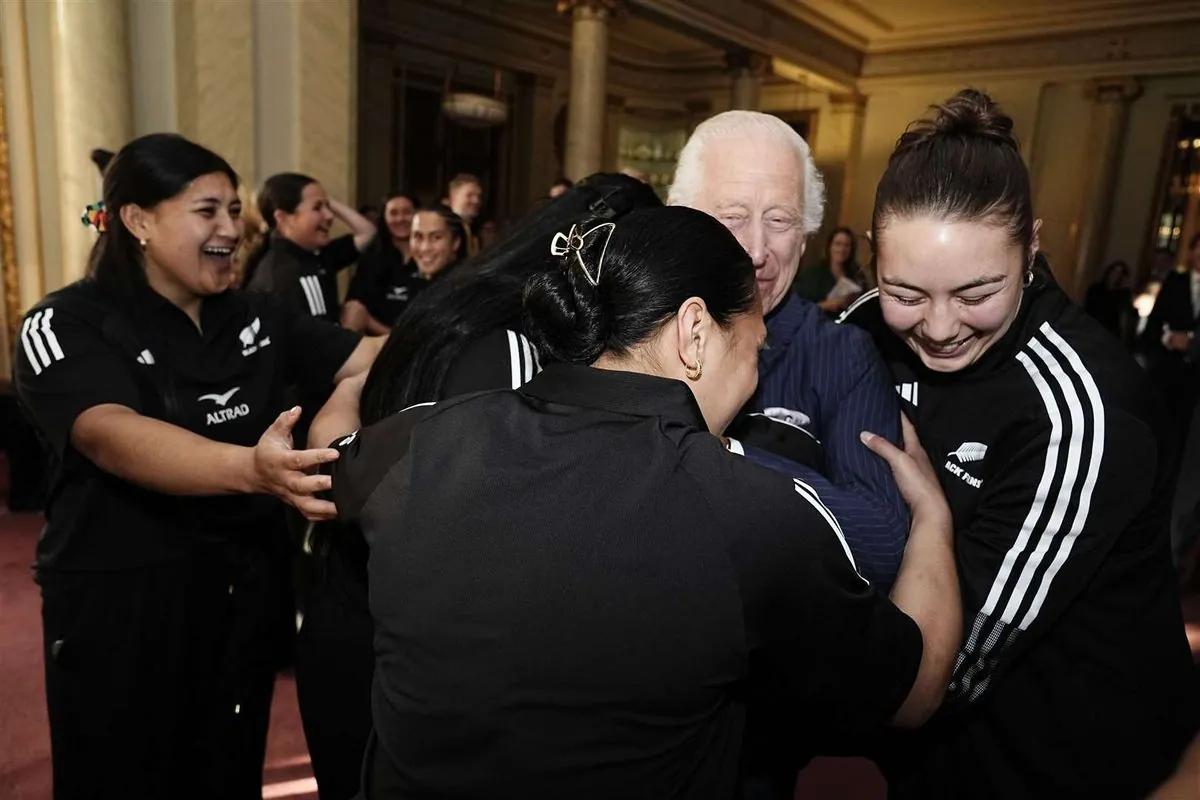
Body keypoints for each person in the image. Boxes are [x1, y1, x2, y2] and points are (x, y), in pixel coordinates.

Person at [324, 205, 962, 798]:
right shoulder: (747, 514)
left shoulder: (417, 439)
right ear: (694, 331)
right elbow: (914, 691)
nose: (755, 374)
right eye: (753, 347)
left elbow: (330, 465)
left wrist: (349, 388)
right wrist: (932, 520)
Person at [841, 89, 1197, 799]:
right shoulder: (859, 329)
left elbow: (948, 670)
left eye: (977, 293)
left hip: (1064, 759)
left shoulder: (1084, 412)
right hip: (926, 763)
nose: (939, 327)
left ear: (1032, 245)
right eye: (905, 291)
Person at [13, 133, 383, 800]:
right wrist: (254, 469)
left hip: (240, 592)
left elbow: (362, 357)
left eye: (235, 211)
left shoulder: (256, 316)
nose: (231, 229)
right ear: (138, 221)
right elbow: (111, 435)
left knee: (226, 769)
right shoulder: (65, 324)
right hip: (121, 600)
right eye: (208, 211)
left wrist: (357, 383)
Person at [298, 173, 661, 800]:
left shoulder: (453, 306)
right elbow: (484, 520)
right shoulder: (519, 345)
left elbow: (345, 443)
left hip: (353, 610)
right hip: (411, 646)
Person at [669, 111, 909, 590]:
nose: (756, 249)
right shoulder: (637, 329)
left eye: (779, 220)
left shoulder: (839, 354)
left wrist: (723, 453)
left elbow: (881, 543)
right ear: (682, 219)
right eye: (732, 217)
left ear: (806, 236)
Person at [241, 171, 376, 322]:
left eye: (327, 206)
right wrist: (350, 326)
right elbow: (315, 343)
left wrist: (321, 198)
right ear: (283, 218)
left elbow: (367, 232)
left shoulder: (315, 256)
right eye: (317, 208)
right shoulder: (285, 275)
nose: (330, 215)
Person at [342, 191, 420, 334]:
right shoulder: (371, 257)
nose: (401, 218)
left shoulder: (430, 256)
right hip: (378, 343)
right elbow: (356, 308)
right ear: (384, 217)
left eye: (407, 212)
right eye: (393, 213)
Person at [794, 226, 865, 314]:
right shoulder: (813, 274)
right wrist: (827, 305)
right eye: (838, 244)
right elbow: (799, 307)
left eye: (847, 245)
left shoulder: (856, 274)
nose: (842, 249)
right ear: (829, 247)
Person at [1084, 259, 1135, 342]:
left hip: (1111, 334)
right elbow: (1088, 309)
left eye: (1120, 273)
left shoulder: (1123, 294)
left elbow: (1126, 315)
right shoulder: (1095, 289)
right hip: (1094, 330)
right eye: (1114, 271)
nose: (1116, 275)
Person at [447, 173, 483, 256]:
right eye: (469, 195)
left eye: (479, 196)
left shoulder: (476, 231)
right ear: (454, 197)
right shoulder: (446, 228)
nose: (476, 201)